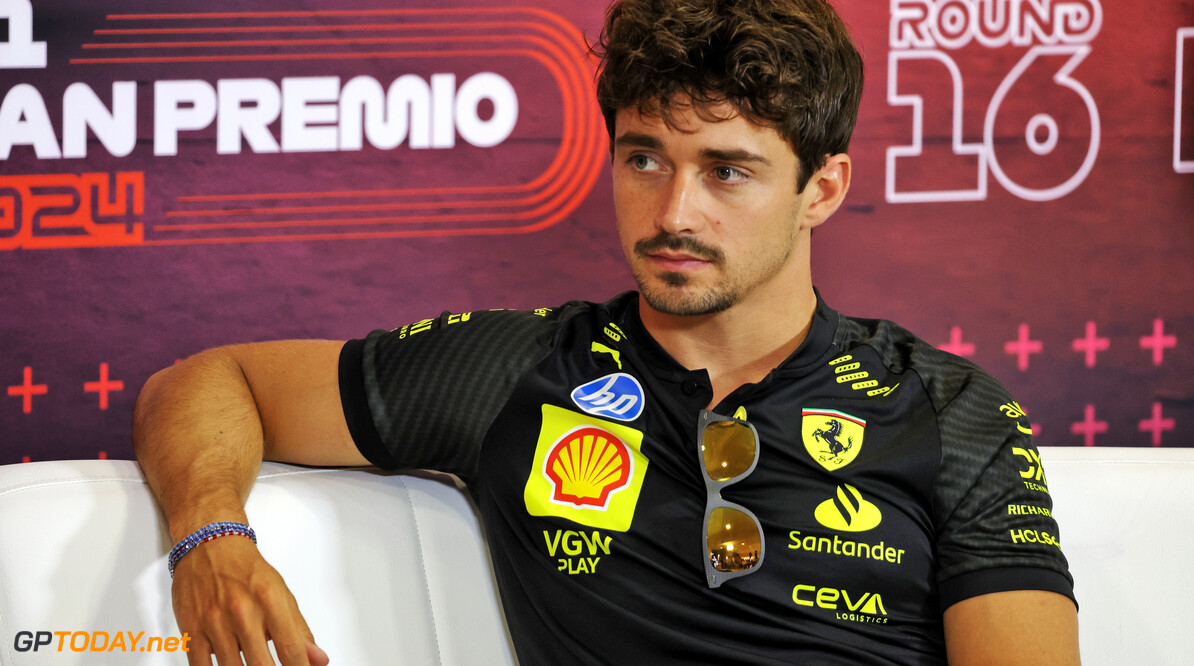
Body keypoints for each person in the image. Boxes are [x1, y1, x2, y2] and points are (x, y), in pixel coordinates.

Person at [132, 0, 1080, 664]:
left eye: (727, 170)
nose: (674, 211)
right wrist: (211, 537)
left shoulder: (950, 411)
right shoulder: (514, 369)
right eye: (644, 158)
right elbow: (207, 383)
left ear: (821, 188)